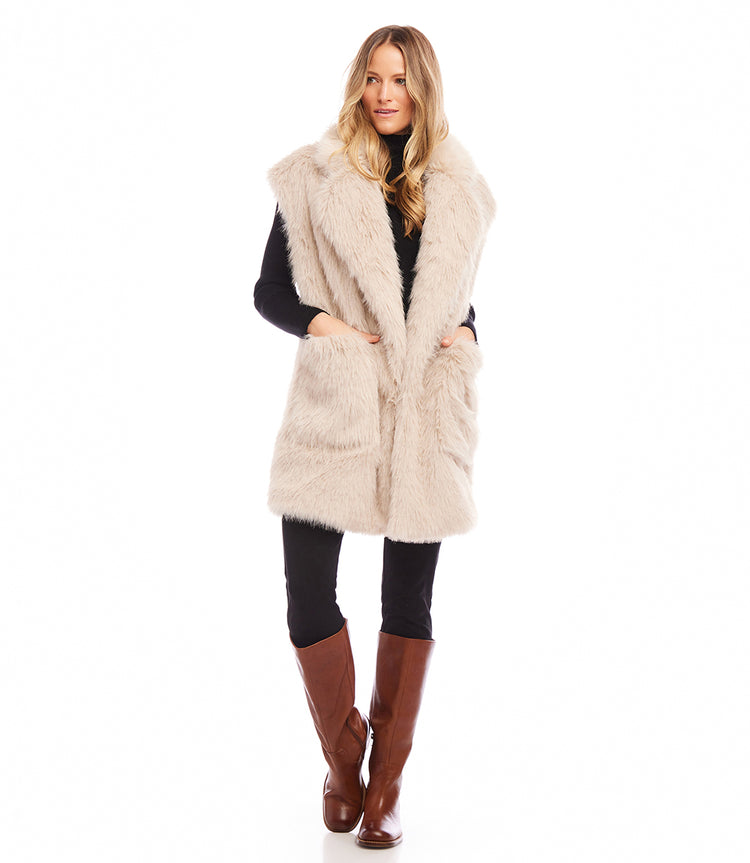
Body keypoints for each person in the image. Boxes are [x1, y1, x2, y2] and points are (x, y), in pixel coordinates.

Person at [254, 25, 495, 849]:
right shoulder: (316, 175)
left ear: (423, 88)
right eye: (372, 77)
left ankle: (385, 783)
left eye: (400, 79)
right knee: (306, 593)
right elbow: (269, 290)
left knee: (408, 600)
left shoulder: (459, 189)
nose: (385, 93)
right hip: (340, 403)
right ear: (358, 85)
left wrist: (470, 331)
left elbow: (454, 296)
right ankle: (344, 757)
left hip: (424, 408)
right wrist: (326, 328)